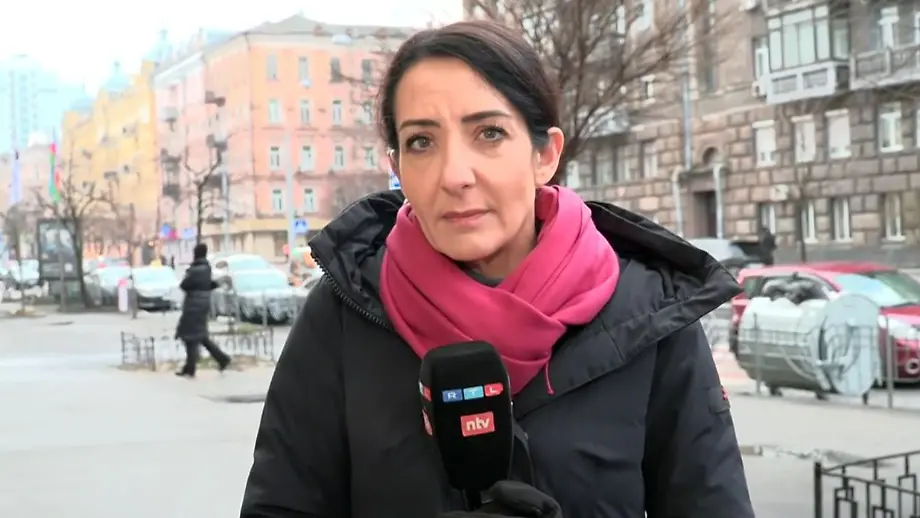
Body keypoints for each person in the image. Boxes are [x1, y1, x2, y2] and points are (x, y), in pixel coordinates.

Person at [240, 20, 754, 518]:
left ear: (545, 155)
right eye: (422, 142)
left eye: (489, 133)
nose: (454, 175)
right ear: (397, 169)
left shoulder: (649, 316)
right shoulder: (344, 314)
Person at [174, 242, 230, 378]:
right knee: (200, 336)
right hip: (202, 305)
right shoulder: (206, 268)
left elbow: (184, 285)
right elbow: (207, 285)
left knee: (190, 336)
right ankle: (219, 359)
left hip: (193, 305)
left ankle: (192, 367)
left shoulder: (195, 270)